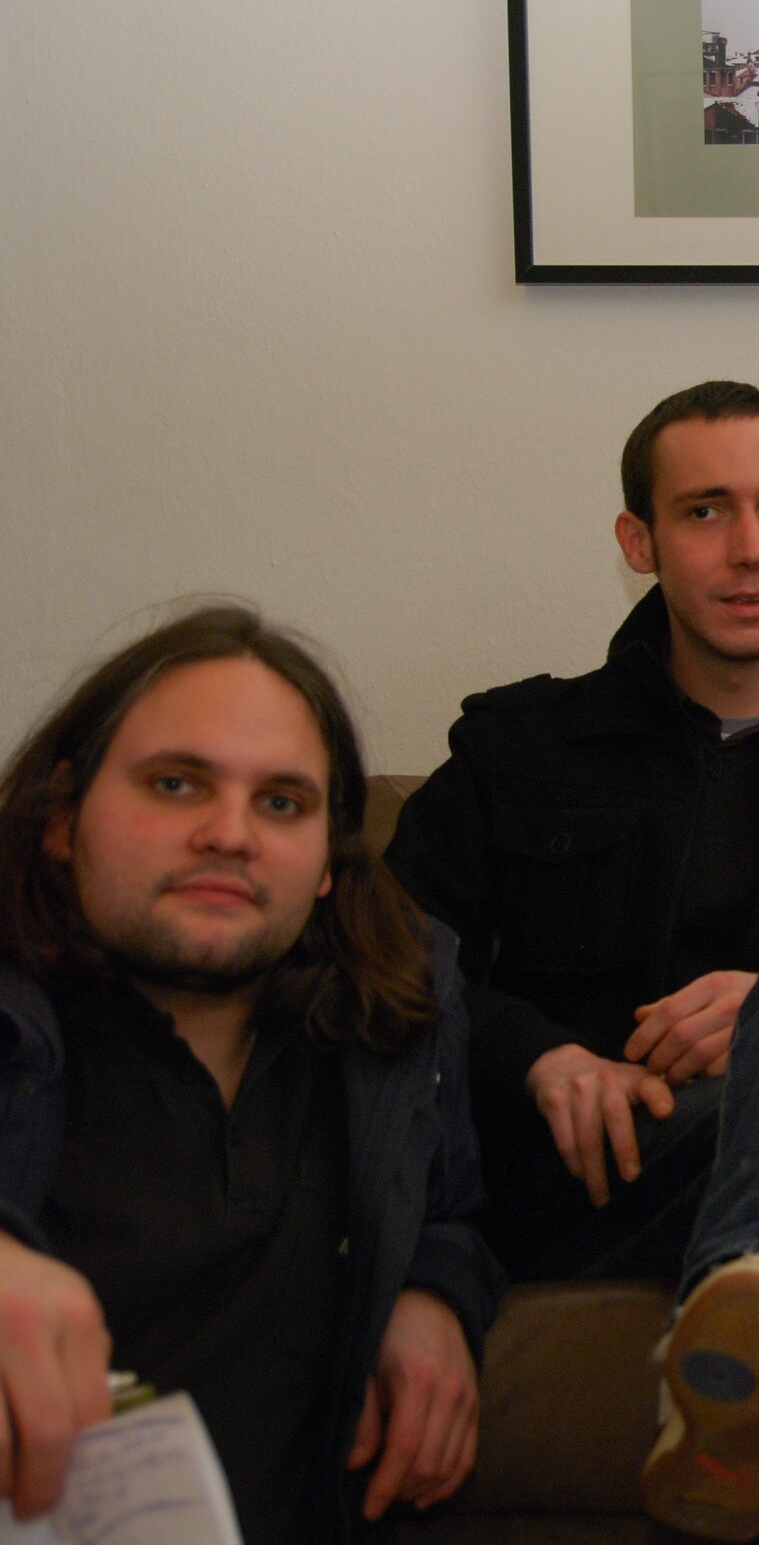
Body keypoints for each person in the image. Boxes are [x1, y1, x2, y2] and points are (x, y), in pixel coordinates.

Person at [386, 381, 759, 1543]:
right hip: (600, 1171)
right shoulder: (521, 748)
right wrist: (538, 1055)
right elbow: (384, 956)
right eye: (705, 511)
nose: (750, 548)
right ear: (638, 540)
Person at [0, 605, 503, 1543]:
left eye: (281, 803)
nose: (230, 834)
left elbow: (451, 1210)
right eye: (176, 783)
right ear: (62, 818)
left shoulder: (390, 1018)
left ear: (326, 862)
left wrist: (433, 1291)